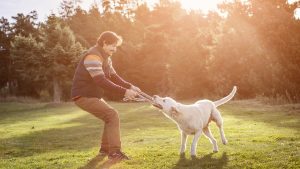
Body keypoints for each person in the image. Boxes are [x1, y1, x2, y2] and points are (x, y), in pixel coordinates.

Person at [71, 31, 140, 160]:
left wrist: (130, 86)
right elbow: (101, 80)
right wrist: (125, 92)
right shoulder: (93, 56)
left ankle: (105, 150)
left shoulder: (106, 58)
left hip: (92, 96)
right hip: (83, 96)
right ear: (104, 43)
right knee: (111, 115)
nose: (114, 49)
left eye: (116, 46)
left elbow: (114, 77)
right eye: (112, 46)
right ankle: (114, 153)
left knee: (109, 116)